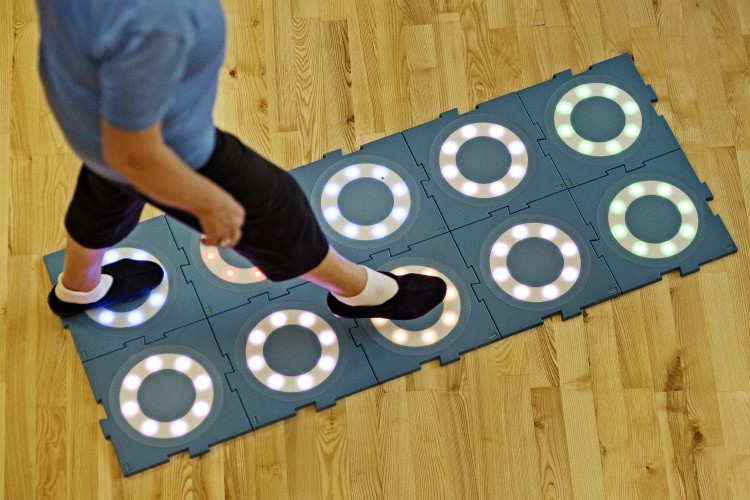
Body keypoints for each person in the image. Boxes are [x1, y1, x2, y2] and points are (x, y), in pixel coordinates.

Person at [37, 0, 446, 321]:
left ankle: (78, 287)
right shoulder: (155, 19)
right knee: (276, 215)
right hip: (166, 151)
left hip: (87, 116)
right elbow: (133, 155)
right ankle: (359, 292)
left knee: (107, 189)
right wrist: (209, 203)